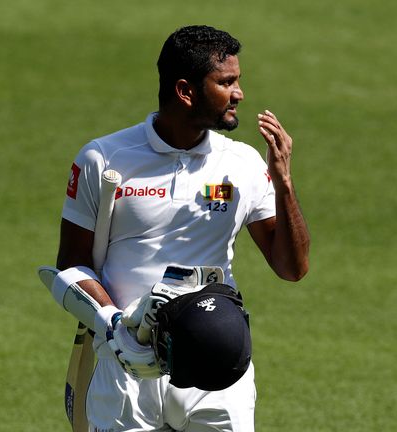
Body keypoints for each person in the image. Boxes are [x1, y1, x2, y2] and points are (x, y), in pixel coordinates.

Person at [54, 25, 310, 431]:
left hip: (217, 364)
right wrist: (115, 325)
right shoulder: (104, 159)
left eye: (238, 81)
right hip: (127, 364)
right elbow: (70, 267)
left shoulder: (242, 163)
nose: (239, 93)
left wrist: (285, 184)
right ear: (186, 91)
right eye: (226, 82)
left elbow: (291, 268)